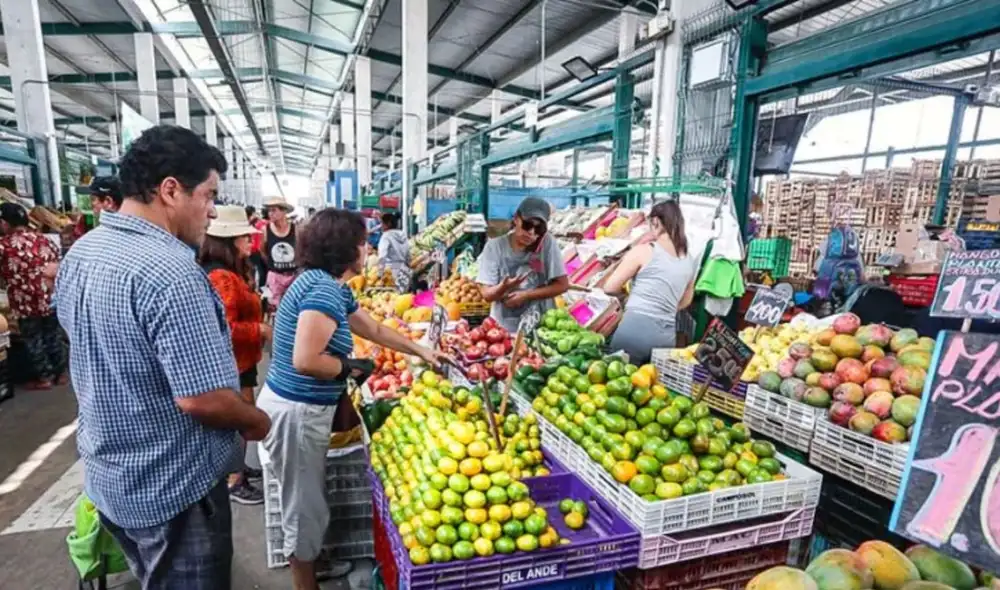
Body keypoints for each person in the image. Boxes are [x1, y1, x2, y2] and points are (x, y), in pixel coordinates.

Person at [54, 125, 271, 589]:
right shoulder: (172, 273)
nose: (211, 212)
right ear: (170, 189)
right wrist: (255, 421)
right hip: (174, 488)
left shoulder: (83, 253)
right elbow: (203, 399)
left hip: (111, 477)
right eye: (209, 196)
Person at [257, 208, 450, 590]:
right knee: (303, 506)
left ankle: (312, 564)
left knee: (307, 498)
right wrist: (349, 368)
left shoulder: (326, 285)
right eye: (363, 242)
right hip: (297, 412)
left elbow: (373, 327)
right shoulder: (321, 289)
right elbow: (306, 359)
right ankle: (305, 582)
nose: (368, 248)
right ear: (346, 248)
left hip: (300, 407)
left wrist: (422, 350)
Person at [198, 205, 271, 505]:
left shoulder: (228, 271)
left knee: (240, 416)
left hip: (239, 359)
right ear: (229, 240)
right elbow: (224, 327)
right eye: (244, 238)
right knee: (239, 417)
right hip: (233, 361)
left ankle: (238, 468)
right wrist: (259, 330)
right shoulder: (222, 277)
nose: (249, 243)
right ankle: (234, 480)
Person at [603, 200, 698, 364]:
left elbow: (609, 287)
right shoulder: (688, 259)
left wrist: (628, 297)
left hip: (635, 331)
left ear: (656, 222)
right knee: (650, 385)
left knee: (618, 382)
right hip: (667, 336)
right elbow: (687, 299)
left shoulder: (644, 251)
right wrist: (665, 308)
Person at [477, 196, 569, 332]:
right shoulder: (495, 247)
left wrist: (526, 295)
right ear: (516, 219)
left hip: (542, 330)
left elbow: (562, 285)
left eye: (539, 229)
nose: (531, 233)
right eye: (527, 225)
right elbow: (486, 294)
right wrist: (503, 287)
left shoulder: (547, 243)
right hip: (503, 332)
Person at [0, 203, 64, 389]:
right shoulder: (45, 241)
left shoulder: (4, 246)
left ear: (4, 223)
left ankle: (45, 378)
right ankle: (60, 374)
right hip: (50, 298)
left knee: (33, 339)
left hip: (25, 302)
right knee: (53, 335)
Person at [262, 196, 296, 311]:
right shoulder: (265, 230)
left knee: (294, 306)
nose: (270, 214)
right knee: (273, 307)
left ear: (284, 211)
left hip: (293, 276)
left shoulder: (296, 230)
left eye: (274, 210)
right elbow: (263, 251)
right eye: (269, 210)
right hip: (275, 276)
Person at [377, 211, 410, 289]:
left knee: (392, 297)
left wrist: (380, 272)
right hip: (404, 269)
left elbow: (382, 255)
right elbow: (408, 253)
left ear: (388, 224)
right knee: (403, 297)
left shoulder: (386, 236)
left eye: (382, 223)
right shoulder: (403, 234)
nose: (381, 226)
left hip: (391, 271)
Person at [246, 205, 268, 288]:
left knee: (252, 270)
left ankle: (254, 286)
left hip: (251, 249)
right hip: (260, 250)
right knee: (263, 271)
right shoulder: (267, 225)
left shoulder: (256, 223)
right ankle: (262, 288)